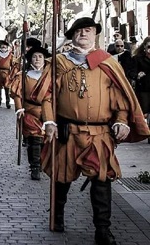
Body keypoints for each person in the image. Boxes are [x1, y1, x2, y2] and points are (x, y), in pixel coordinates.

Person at [33, 17, 149, 244]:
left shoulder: (108, 63)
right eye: (79, 30)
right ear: (72, 35)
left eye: (88, 30)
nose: (83, 34)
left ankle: (103, 230)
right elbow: (46, 96)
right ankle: (57, 216)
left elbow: (121, 99)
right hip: (68, 132)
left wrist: (122, 121)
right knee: (62, 178)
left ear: (95, 34)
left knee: (102, 180)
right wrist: (49, 122)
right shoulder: (58, 63)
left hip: (99, 134)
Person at [9, 46, 50, 180]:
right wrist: (19, 108)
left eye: (40, 57)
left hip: (48, 112)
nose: (37, 59)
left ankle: (43, 162)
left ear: (44, 59)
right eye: (34, 57)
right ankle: (35, 167)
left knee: (45, 140)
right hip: (30, 111)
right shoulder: (23, 75)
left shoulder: (51, 76)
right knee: (35, 139)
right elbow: (16, 93)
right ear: (30, 59)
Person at [133, 37, 150, 130]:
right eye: (149, 46)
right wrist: (137, 75)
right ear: (144, 47)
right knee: (145, 111)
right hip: (144, 88)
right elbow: (131, 72)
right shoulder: (138, 59)